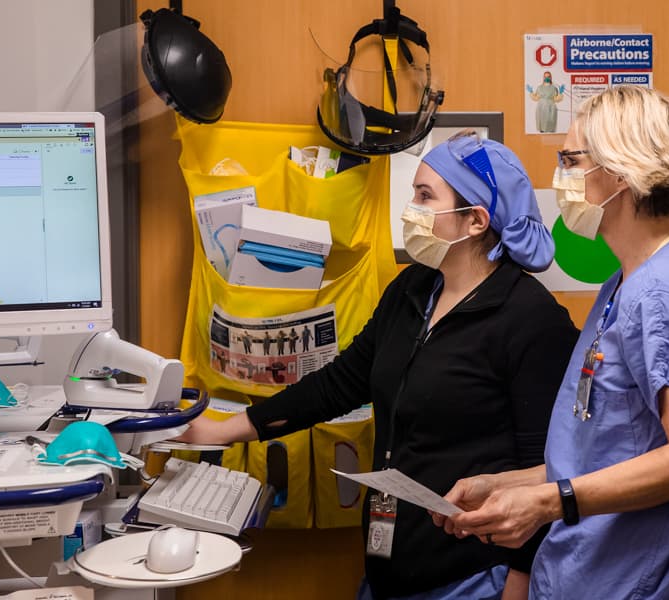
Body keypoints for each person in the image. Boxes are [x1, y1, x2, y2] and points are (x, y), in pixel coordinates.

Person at [176, 132, 578, 600]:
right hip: (389, 567)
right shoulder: (412, 290)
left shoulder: (530, 318)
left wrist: (521, 583)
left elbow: (546, 472)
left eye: (425, 196)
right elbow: (340, 384)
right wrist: (226, 430)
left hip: (473, 577)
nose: (412, 208)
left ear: (474, 220)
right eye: (414, 193)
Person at [433, 86, 669, 599]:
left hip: (643, 583)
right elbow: (606, 449)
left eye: (571, 160)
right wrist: (511, 485)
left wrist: (550, 503)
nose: (561, 176)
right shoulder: (624, 284)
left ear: (622, 172)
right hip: (590, 574)